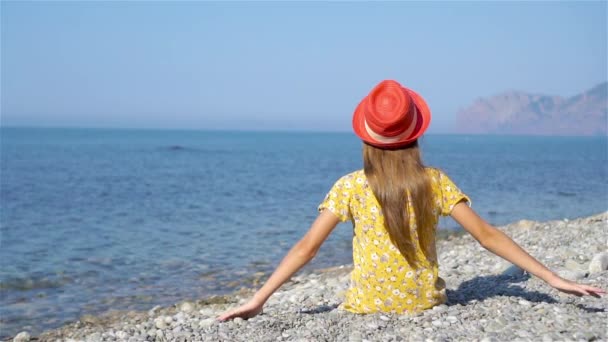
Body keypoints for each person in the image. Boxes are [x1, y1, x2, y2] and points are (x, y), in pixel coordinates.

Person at [218, 80, 604, 321]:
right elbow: (486, 236)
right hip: (424, 304)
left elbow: (307, 249)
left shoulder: (350, 186)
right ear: (415, 134)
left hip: (366, 306)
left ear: (366, 137)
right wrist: (552, 278)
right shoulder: (433, 181)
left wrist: (259, 300)